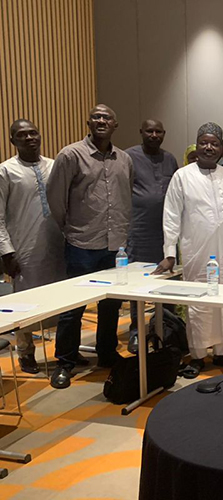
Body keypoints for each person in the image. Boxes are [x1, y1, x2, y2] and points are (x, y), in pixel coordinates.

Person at [46, 104, 133, 389]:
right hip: (82, 242)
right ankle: (65, 362)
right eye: (96, 116)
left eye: (107, 117)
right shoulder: (71, 155)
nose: (101, 120)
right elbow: (56, 199)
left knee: (111, 305)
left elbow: (125, 197)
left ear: (115, 125)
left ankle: (107, 354)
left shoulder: (124, 159)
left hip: (115, 246)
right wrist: (71, 229)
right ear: (88, 122)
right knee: (74, 308)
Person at [156, 122, 223, 378]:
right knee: (199, 305)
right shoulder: (182, 176)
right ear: (197, 146)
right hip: (196, 251)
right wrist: (170, 253)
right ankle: (197, 356)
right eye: (204, 142)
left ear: (222, 148)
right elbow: (171, 215)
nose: (209, 147)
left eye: (214, 143)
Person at [0, 119, 65, 374]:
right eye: (22, 134)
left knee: (62, 300)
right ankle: (26, 353)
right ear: (12, 141)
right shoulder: (6, 171)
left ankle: (64, 352)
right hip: (23, 247)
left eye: (33, 133)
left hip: (56, 244)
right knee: (25, 301)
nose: (29, 138)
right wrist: (6, 251)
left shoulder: (54, 166)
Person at [125, 119, 179, 354]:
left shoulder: (170, 159)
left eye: (158, 131)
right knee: (139, 285)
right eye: (149, 130)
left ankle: (167, 329)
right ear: (141, 132)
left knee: (169, 282)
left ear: (164, 134)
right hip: (139, 230)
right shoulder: (128, 158)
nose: (154, 135)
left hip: (167, 232)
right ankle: (137, 331)